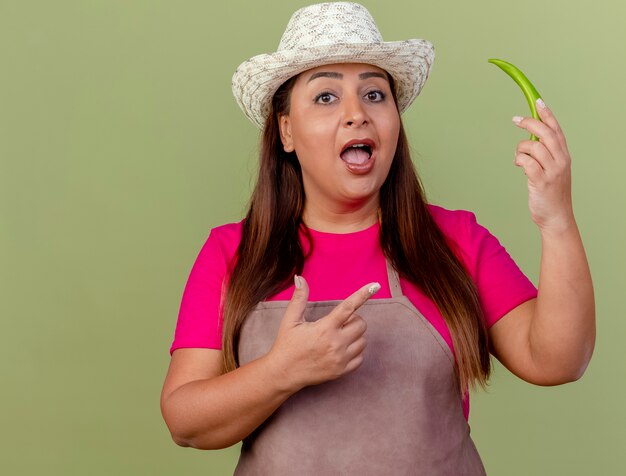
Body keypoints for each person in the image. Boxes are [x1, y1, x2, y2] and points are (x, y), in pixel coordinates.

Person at [160, 3, 595, 474]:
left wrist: (557, 220)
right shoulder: (233, 252)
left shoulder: (455, 240)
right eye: (326, 97)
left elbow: (556, 361)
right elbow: (186, 422)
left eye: (374, 94)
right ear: (286, 130)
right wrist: (281, 371)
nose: (356, 114)